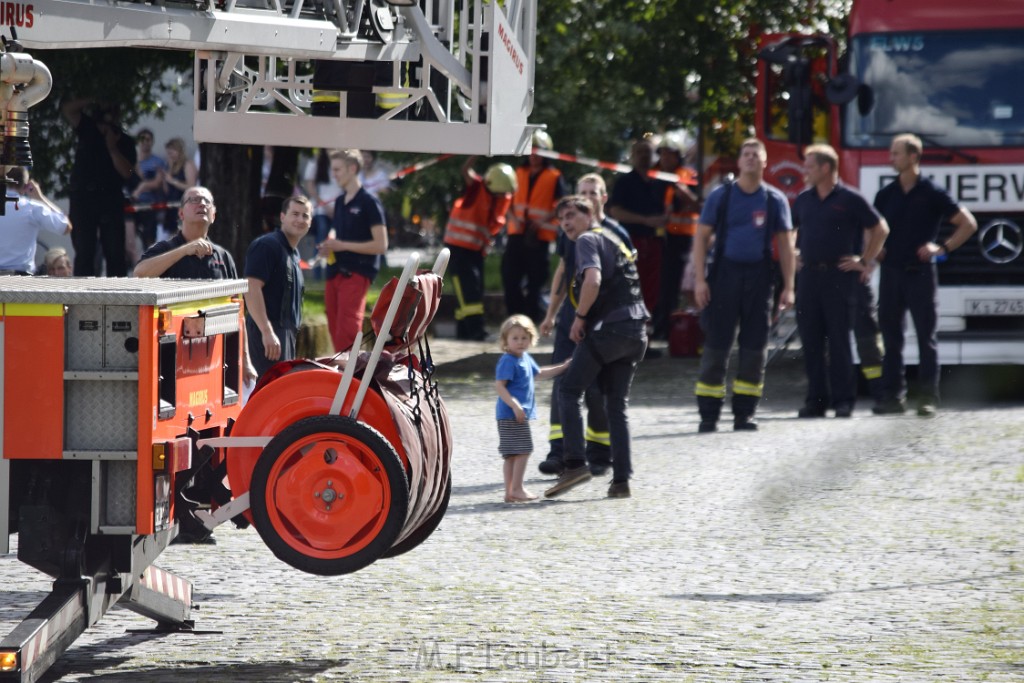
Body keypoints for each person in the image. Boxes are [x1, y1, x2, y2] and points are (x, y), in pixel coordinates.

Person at [544, 195, 648, 500]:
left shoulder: (588, 240)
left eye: (573, 214)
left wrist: (579, 317)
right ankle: (621, 481)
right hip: (636, 332)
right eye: (561, 217)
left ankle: (575, 463)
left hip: (611, 330)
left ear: (591, 216)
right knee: (616, 404)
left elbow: (593, 280)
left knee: (568, 389)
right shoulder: (613, 239)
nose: (565, 221)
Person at [691, 138, 796, 433]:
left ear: (765, 162)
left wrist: (789, 286)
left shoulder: (775, 200)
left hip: (760, 279)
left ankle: (744, 414)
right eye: (745, 154)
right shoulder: (720, 196)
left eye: (756, 155)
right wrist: (700, 280)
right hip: (724, 277)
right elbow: (700, 238)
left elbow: (786, 247)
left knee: (754, 348)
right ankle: (708, 415)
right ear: (739, 162)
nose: (750, 159)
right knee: (716, 346)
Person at [872, 133, 978, 417]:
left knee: (925, 339)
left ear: (913, 157)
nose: (890, 158)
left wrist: (941, 247)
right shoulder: (886, 194)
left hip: (920, 274)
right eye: (891, 153)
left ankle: (927, 398)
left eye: (896, 153)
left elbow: (968, 223)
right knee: (892, 338)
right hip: (891, 273)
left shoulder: (931, 192)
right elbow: (871, 228)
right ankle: (892, 397)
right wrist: (875, 249)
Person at [538, 173, 632, 477]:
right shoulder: (569, 232)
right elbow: (563, 272)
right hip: (571, 317)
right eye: (582, 192)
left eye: (593, 192)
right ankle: (559, 451)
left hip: (602, 322)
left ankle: (598, 452)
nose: (587, 196)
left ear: (603, 198)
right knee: (563, 382)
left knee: (597, 387)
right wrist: (551, 314)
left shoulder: (615, 233)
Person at [793, 144, 889, 418]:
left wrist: (865, 260)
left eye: (809, 166)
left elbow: (880, 228)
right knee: (811, 340)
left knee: (838, 341)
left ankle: (843, 401)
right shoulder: (804, 199)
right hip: (810, 276)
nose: (805, 171)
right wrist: (793, 253)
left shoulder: (849, 198)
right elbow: (790, 229)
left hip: (839, 277)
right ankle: (816, 401)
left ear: (826, 168)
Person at [317, 149, 388, 354]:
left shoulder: (369, 202)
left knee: (347, 331)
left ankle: (351, 379)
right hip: (335, 272)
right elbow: (339, 236)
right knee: (334, 328)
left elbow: (381, 244)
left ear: (353, 168)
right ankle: (342, 376)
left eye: (338, 169)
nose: (334, 174)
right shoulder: (340, 201)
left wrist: (343, 245)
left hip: (356, 273)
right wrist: (329, 246)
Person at [494, 315, 569, 504]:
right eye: (515, 338)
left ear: (531, 339)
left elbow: (540, 374)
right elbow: (500, 386)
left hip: (516, 414)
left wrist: (564, 367)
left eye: (524, 338)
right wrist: (515, 405)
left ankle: (510, 492)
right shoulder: (508, 360)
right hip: (511, 414)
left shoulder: (525, 358)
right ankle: (517, 489)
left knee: (513, 454)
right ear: (505, 341)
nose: (520, 342)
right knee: (523, 450)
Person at [442, 157, 516, 340]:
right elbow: (464, 169)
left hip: (475, 251)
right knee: (469, 292)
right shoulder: (476, 187)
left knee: (472, 291)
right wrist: (478, 152)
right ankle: (476, 332)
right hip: (458, 250)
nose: (501, 197)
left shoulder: (502, 195)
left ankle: (464, 333)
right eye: (498, 193)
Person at [61, 98, 136, 277]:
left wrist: (112, 148)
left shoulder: (123, 140)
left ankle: (118, 295)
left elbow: (128, 172)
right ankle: (82, 293)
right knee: (85, 250)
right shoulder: (87, 128)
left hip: (110, 199)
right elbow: (68, 109)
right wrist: (93, 97)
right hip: (83, 199)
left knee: (114, 251)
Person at [244, 196, 313, 379]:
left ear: (310, 222)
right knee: (266, 397)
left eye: (305, 216)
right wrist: (267, 332)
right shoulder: (267, 245)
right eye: (295, 214)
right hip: (266, 338)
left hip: (283, 338)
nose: (300, 220)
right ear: (282, 217)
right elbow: (251, 288)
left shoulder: (293, 253)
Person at [502, 130, 568, 322]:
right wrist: (513, 218)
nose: (534, 156)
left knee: (536, 282)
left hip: (540, 237)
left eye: (538, 151)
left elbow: (561, 205)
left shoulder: (555, 176)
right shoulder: (518, 173)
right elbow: (507, 200)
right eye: (531, 151)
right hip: (516, 234)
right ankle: (514, 317)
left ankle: (532, 318)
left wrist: (542, 221)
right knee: (510, 278)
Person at [608, 137, 667, 317]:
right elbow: (615, 211)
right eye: (640, 152)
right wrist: (644, 220)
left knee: (651, 289)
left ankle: (646, 331)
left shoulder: (659, 183)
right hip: (631, 242)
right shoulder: (624, 182)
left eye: (647, 152)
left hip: (655, 243)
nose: (644, 156)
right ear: (632, 156)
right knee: (631, 286)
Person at [651, 135, 701, 338]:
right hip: (660, 239)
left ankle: (667, 327)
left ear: (678, 156)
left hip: (681, 240)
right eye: (662, 154)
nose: (665, 158)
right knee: (659, 284)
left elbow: (698, 204)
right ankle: (659, 325)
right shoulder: (656, 177)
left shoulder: (687, 175)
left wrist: (685, 193)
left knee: (672, 285)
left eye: (669, 154)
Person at [134, 185, 239, 280]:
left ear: (213, 216)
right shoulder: (165, 248)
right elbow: (139, 274)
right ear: (181, 213)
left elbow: (236, 298)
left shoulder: (223, 257)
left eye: (207, 201)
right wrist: (184, 250)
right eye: (194, 200)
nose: (202, 204)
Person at [0, 167, 72, 275]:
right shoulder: (32, 208)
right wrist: (40, 197)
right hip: (20, 277)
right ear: (25, 186)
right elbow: (65, 227)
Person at [301, 148, 342, 278]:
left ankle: (333, 273)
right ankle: (317, 273)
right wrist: (324, 205)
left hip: (339, 209)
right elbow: (309, 185)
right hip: (321, 209)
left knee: (337, 240)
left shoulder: (342, 162)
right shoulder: (316, 162)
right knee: (321, 238)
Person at [130, 128, 168, 251]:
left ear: (152, 142)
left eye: (148, 139)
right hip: (131, 205)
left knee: (149, 238)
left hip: (150, 204)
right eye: (142, 139)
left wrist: (142, 187)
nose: (145, 142)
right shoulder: (131, 161)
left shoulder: (158, 161)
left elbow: (157, 183)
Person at [162, 137, 198, 237]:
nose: (170, 156)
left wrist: (173, 181)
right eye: (168, 153)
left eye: (172, 152)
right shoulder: (170, 166)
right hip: (171, 207)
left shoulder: (187, 164)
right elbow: (166, 190)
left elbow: (191, 187)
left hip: (183, 205)